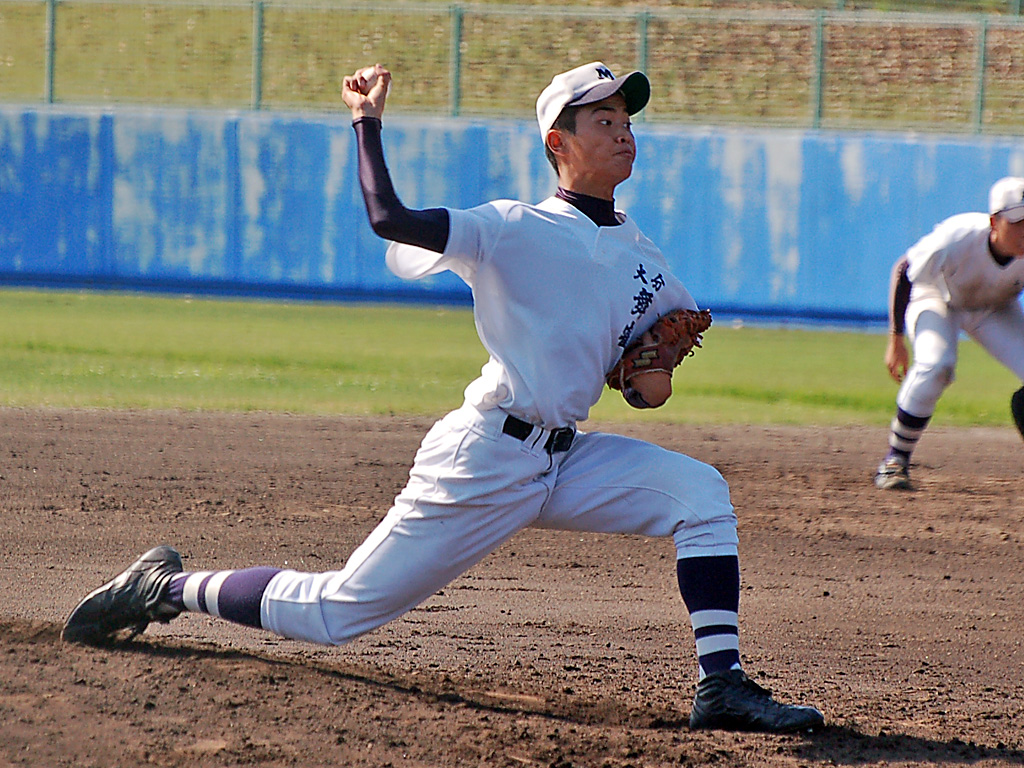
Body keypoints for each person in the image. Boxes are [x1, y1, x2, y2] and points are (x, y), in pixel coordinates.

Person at [62, 61, 824, 733]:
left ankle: (721, 686)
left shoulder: (646, 260)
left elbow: (647, 390)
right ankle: (164, 586)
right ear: (557, 142)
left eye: (626, 118)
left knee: (700, 494)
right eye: (603, 119)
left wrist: (649, 371)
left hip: (566, 460)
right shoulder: (509, 228)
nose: (623, 131)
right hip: (486, 456)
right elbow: (388, 218)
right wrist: (367, 123)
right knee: (336, 612)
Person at [875, 176, 1024, 490]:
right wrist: (895, 339)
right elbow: (904, 271)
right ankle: (895, 460)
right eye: (1018, 222)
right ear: (994, 222)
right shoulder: (958, 237)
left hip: (995, 308)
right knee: (936, 365)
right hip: (937, 298)